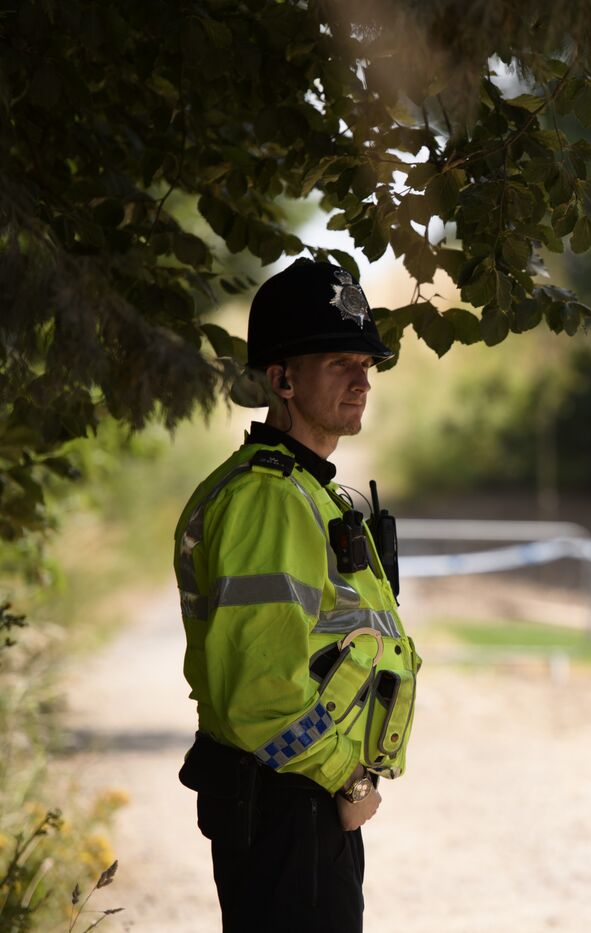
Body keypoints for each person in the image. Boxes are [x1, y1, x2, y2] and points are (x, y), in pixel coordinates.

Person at [173, 258, 420, 932]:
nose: (362, 378)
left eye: (365, 362)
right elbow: (261, 692)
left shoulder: (308, 491)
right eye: (338, 361)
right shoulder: (269, 499)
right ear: (282, 378)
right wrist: (349, 778)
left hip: (301, 801)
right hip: (293, 800)